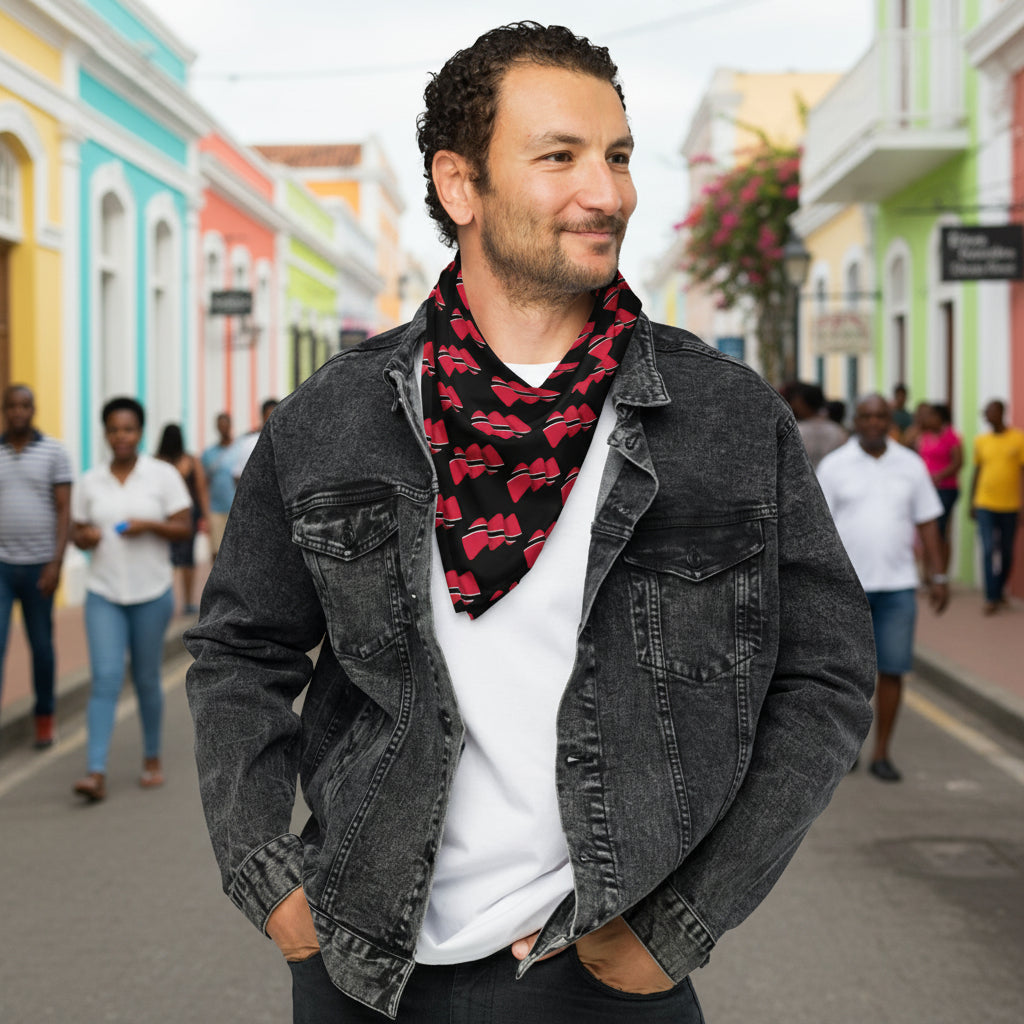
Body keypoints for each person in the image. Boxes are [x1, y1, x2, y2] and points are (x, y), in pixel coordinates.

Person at [185, 22, 874, 1022]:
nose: (608, 192)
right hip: (362, 967)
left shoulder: (723, 417)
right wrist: (272, 885)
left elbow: (825, 674)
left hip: (604, 972)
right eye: (560, 157)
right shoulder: (334, 417)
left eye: (619, 156)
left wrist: (675, 926)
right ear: (461, 186)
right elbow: (241, 651)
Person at [818, 394, 948, 783]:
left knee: (892, 670)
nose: (874, 423)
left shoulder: (910, 466)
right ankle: (849, 749)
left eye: (881, 417)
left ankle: (882, 753)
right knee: (847, 676)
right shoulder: (835, 466)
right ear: (856, 420)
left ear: (890, 421)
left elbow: (927, 523)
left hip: (898, 588)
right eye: (867, 416)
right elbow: (818, 529)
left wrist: (938, 576)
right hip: (847, 589)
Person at [70, 397, 192, 802]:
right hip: (103, 592)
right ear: (104, 433)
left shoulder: (162, 476)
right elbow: (78, 530)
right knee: (104, 678)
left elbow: (183, 527)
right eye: (113, 429)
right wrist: (83, 537)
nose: (120, 436)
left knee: (145, 679)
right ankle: (95, 770)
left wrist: (148, 526)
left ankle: (152, 756)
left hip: (151, 592)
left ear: (140, 432)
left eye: (128, 429)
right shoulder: (91, 481)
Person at [0, 385, 73, 748]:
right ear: (4, 410)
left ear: (34, 409)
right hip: (2, 567)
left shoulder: (54, 452)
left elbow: (64, 510)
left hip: (39, 568)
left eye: (24, 405)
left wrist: (56, 563)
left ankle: (44, 715)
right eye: (11, 406)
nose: (17, 412)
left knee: (41, 646)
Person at [970, 399, 1024, 614]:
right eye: (985, 412)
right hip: (985, 503)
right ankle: (991, 597)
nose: (987, 416)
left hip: (1010, 505)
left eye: (990, 412)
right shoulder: (981, 441)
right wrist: (972, 501)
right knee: (989, 549)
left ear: (1001, 413)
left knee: (1008, 552)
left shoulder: (1018, 439)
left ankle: (999, 591)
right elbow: (977, 471)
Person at [156, 423, 211, 615]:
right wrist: (206, 516)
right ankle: (187, 601)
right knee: (187, 559)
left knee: (167, 558)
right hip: (188, 514)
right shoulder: (190, 461)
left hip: (163, 516)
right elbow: (201, 490)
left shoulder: (158, 462)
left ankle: (167, 600)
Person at [916, 402, 962, 576]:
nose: (928, 419)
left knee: (940, 531)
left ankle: (941, 573)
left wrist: (939, 476)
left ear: (940, 418)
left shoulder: (951, 436)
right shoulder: (924, 435)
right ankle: (927, 573)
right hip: (927, 489)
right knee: (927, 530)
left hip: (946, 489)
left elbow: (958, 462)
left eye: (931, 416)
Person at [787, 381, 847, 469]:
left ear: (803, 404)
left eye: (797, 402)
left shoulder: (794, 431)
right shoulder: (838, 431)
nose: (793, 405)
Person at [200, 412, 236, 559]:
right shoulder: (208, 454)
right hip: (215, 510)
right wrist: (205, 513)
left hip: (235, 509)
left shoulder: (239, 449)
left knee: (234, 551)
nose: (223, 429)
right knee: (215, 552)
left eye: (225, 425)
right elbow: (203, 485)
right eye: (220, 426)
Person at [231, 398, 278, 482]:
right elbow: (237, 476)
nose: (273, 421)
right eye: (270, 416)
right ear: (263, 416)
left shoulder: (286, 442)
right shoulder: (249, 443)